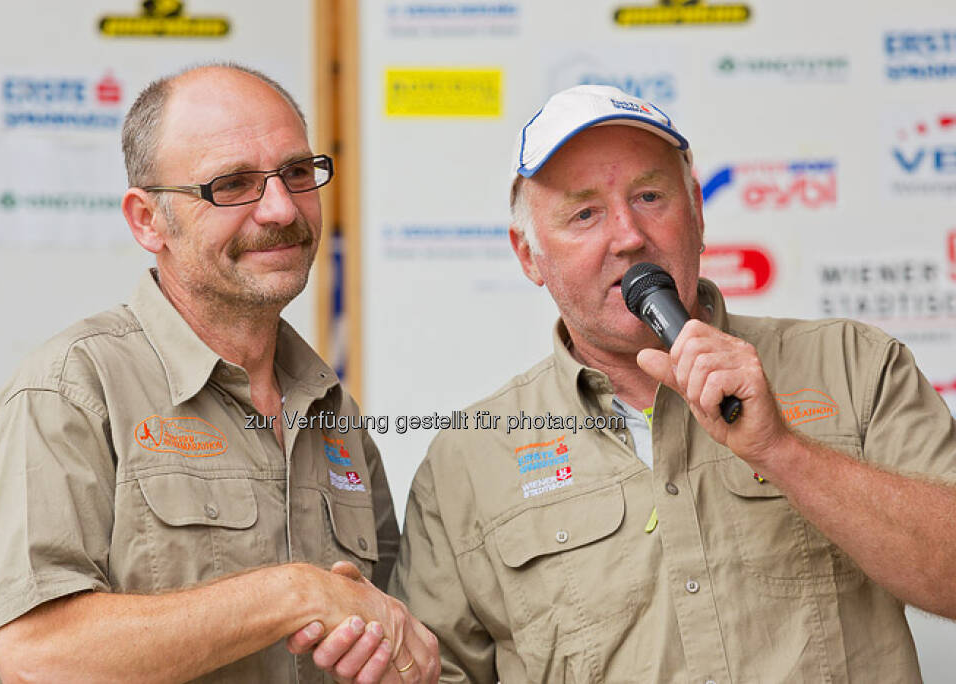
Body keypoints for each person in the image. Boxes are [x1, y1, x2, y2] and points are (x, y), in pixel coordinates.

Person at [387, 85, 956, 682]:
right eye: (585, 213)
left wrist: (781, 451)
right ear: (528, 256)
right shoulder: (468, 462)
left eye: (650, 196)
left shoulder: (855, 365)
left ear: (698, 214)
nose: (629, 235)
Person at [0, 64, 438, 683]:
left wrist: (409, 655)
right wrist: (292, 594)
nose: (279, 208)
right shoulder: (69, 392)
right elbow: (40, 657)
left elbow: (386, 631)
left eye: (297, 173)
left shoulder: (330, 409)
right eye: (232, 184)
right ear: (146, 220)